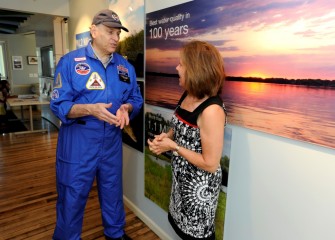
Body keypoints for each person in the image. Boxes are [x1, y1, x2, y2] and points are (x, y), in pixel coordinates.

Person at [50, 9, 143, 240]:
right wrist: (90, 109)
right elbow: (58, 104)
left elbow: (135, 98)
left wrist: (127, 108)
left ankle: (115, 233)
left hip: (111, 141)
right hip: (78, 142)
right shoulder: (70, 63)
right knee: (72, 195)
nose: (115, 38)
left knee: (112, 191)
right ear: (93, 31)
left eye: (118, 34)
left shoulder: (124, 67)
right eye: (110, 31)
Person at [147, 40, 227, 240]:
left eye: (181, 64)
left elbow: (210, 164)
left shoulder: (212, 111)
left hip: (198, 193)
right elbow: (180, 125)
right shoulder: (188, 94)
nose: (177, 68)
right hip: (180, 184)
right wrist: (167, 136)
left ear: (195, 69)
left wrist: (173, 147)